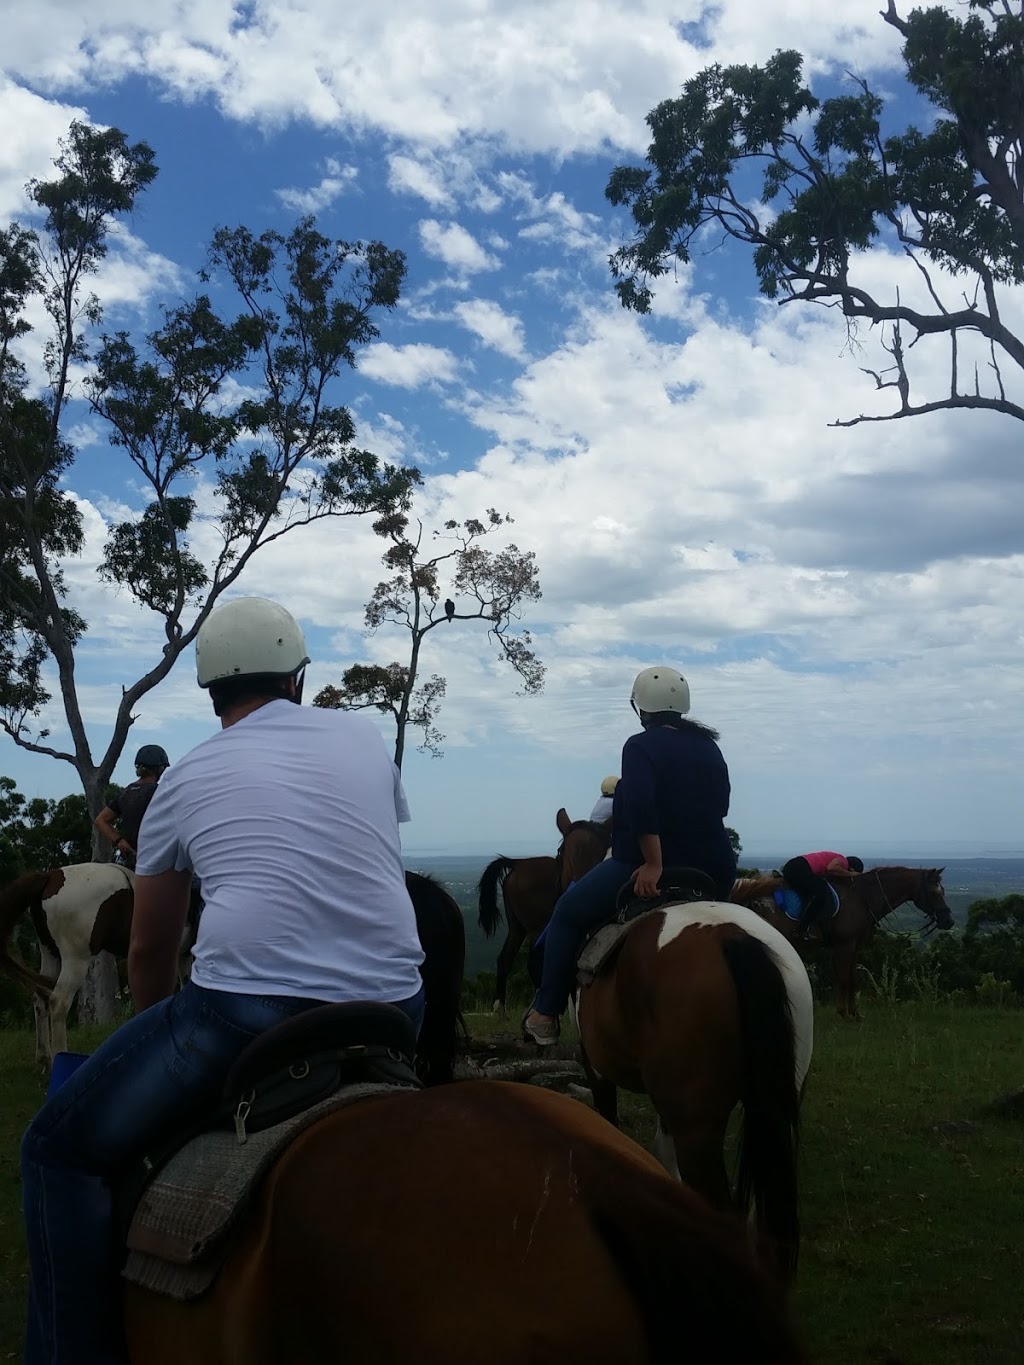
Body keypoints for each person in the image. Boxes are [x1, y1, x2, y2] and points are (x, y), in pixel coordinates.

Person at [21, 597, 426, 1365]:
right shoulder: (364, 735)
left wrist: (151, 1022)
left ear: (209, 691)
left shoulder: (185, 777)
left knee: (56, 1151)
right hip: (397, 1000)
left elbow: (151, 945)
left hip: (247, 1010)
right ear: (300, 679)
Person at [524, 666, 737, 1045]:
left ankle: (546, 1010)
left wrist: (653, 863)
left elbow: (641, 806)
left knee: (568, 913)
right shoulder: (709, 747)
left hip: (641, 865)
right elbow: (722, 805)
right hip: (714, 867)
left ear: (640, 708)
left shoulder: (639, 745)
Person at [93, 744, 170, 870]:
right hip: (159, 862)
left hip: (131, 863)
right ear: (159, 768)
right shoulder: (160, 792)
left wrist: (119, 841)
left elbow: (100, 820)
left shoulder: (126, 792)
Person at [782, 850, 865, 937]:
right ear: (851, 868)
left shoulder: (834, 857)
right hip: (799, 868)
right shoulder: (843, 861)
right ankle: (802, 929)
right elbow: (831, 868)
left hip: (794, 866)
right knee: (820, 893)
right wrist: (851, 874)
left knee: (811, 892)